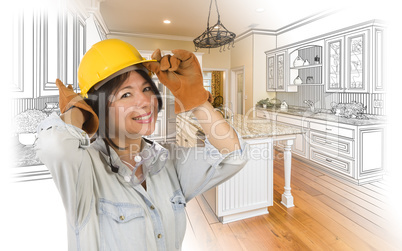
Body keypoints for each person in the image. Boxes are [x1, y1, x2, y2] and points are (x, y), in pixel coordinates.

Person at [35, 39, 249, 251]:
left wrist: (197, 99)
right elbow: (54, 146)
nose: (146, 101)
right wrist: (77, 110)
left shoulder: (169, 161)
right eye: (126, 94)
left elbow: (232, 156)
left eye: (147, 88)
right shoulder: (84, 169)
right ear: (97, 106)